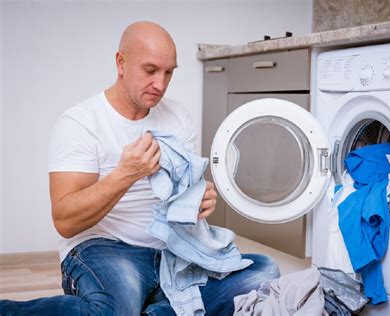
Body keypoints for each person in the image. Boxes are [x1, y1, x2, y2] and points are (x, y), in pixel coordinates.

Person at [0, 21, 280, 316]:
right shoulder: (80, 123)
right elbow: (65, 221)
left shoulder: (177, 118)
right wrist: (125, 174)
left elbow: (181, 197)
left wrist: (196, 199)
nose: (160, 83)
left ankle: (146, 309)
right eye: (150, 70)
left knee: (263, 272)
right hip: (102, 249)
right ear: (121, 62)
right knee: (116, 309)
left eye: (169, 72)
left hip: (171, 253)